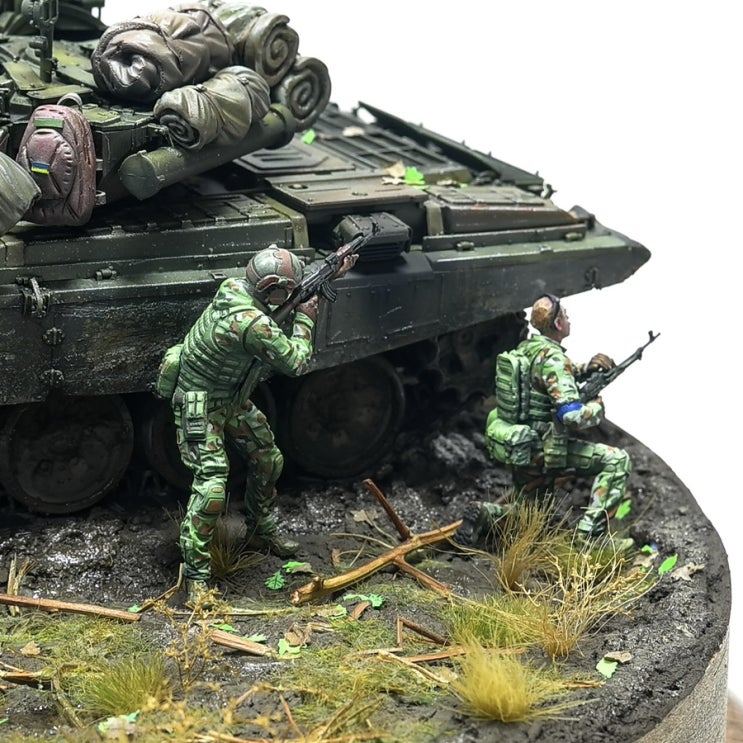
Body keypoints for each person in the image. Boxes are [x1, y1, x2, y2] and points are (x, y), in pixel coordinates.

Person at [161, 244, 355, 603]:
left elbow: (280, 303)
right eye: (287, 291)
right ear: (274, 291)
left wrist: (329, 275)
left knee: (268, 459)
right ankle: (196, 576)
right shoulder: (252, 323)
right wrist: (307, 317)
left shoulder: (235, 288)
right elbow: (296, 362)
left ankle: (260, 531)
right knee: (211, 488)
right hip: (200, 405)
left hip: (231, 398)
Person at [483, 293, 632, 545]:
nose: (569, 319)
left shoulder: (527, 348)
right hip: (545, 447)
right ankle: (590, 539)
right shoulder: (554, 359)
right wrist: (596, 407)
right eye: (566, 315)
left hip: (520, 443)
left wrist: (586, 369)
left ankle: (487, 515)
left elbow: (546, 375)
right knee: (617, 461)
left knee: (531, 514)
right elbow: (572, 416)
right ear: (558, 324)